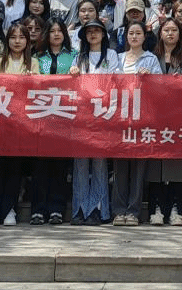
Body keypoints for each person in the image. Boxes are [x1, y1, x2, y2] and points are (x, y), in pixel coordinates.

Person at [0, 22, 39, 227]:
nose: (17, 41)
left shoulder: (33, 62)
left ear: (27, 41)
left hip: (21, 123)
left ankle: (10, 210)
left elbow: (38, 90)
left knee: (15, 167)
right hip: (0, 120)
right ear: (7, 40)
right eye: (13, 37)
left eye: (22, 37)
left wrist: (31, 81)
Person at [68, 20, 120, 225]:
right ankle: (80, 209)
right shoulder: (78, 57)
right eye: (89, 32)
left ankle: (98, 209)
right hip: (82, 114)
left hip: (103, 113)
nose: (93, 34)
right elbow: (72, 83)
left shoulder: (111, 55)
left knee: (99, 162)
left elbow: (116, 79)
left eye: (97, 31)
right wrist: (73, 73)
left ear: (104, 35)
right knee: (80, 162)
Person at [112, 22, 161, 226]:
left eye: (138, 33)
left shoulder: (151, 59)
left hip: (143, 118)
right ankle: (119, 211)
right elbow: (109, 83)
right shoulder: (117, 58)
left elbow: (161, 87)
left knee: (139, 168)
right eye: (131, 33)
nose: (134, 36)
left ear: (144, 36)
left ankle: (133, 211)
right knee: (120, 167)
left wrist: (149, 78)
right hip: (121, 117)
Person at [147, 18, 182, 226]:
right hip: (154, 116)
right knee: (155, 163)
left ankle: (177, 208)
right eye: (166, 29)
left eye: (174, 30)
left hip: (178, 116)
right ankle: (155, 208)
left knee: (177, 164)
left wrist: (181, 83)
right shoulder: (151, 57)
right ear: (160, 33)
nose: (170, 33)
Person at [31, 20, 77, 225]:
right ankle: (38, 210)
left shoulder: (74, 55)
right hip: (41, 115)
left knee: (60, 165)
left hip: (65, 115)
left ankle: (57, 209)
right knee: (40, 165)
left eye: (60, 31)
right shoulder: (37, 56)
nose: (56, 34)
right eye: (52, 31)